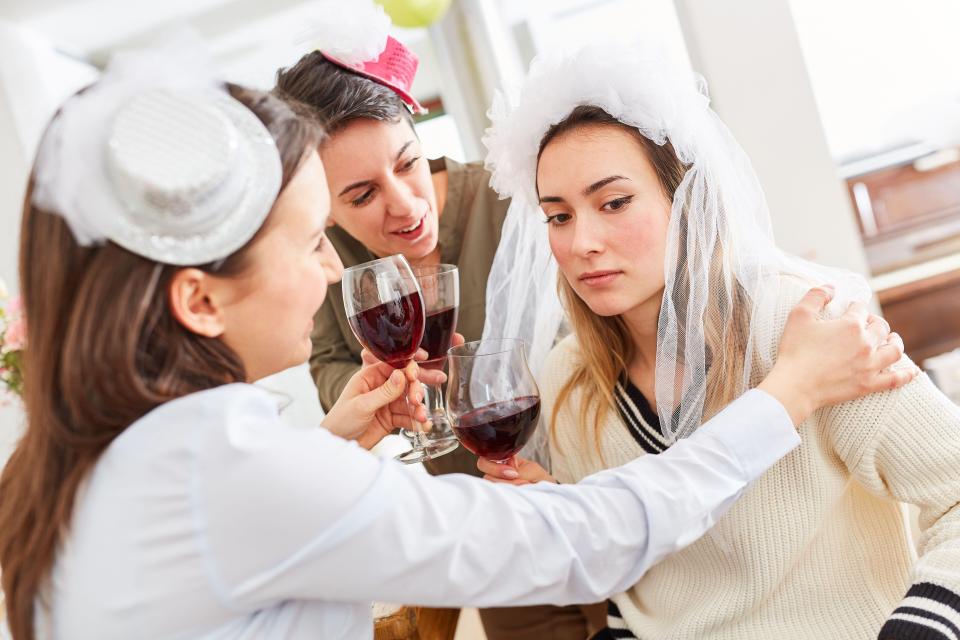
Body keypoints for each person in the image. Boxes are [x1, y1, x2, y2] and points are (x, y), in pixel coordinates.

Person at [0, 42, 913, 640]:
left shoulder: (100, 461)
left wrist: (335, 443)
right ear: (200, 300)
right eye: (315, 239)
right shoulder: (223, 465)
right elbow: (592, 536)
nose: (332, 272)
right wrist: (787, 395)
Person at [480, 40, 960, 640]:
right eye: (559, 216)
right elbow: (633, 586)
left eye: (615, 202)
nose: (582, 243)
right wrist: (569, 515)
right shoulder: (568, 379)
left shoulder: (805, 327)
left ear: (687, 200)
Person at [272, 36, 509, 478]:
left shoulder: (506, 199)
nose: (404, 205)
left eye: (408, 164)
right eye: (363, 195)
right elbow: (328, 361)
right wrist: (379, 392)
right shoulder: (325, 255)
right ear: (322, 209)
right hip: (451, 490)